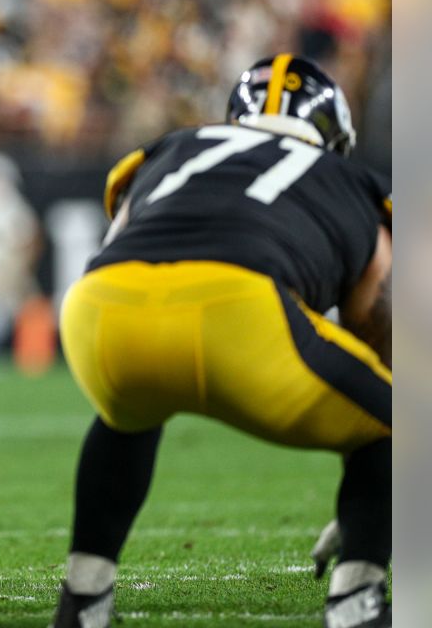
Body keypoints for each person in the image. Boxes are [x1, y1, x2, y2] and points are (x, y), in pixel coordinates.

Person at [51, 55, 391, 628]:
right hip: (240, 308)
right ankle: (356, 598)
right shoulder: (357, 183)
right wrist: (374, 495)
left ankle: (84, 596)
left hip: (100, 309)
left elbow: (121, 233)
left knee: (128, 413)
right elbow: (374, 325)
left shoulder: (175, 145)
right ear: (335, 136)